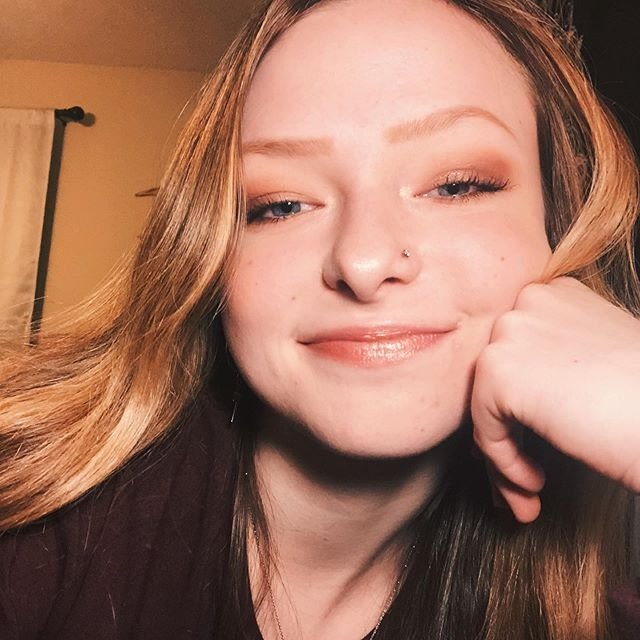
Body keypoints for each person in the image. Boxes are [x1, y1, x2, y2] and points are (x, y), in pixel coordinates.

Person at [1, 0, 640, 638]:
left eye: (456, 185)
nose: (361, 261)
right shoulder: (31, 524)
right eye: (281, 205)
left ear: (562, 226)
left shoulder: (594, 612)